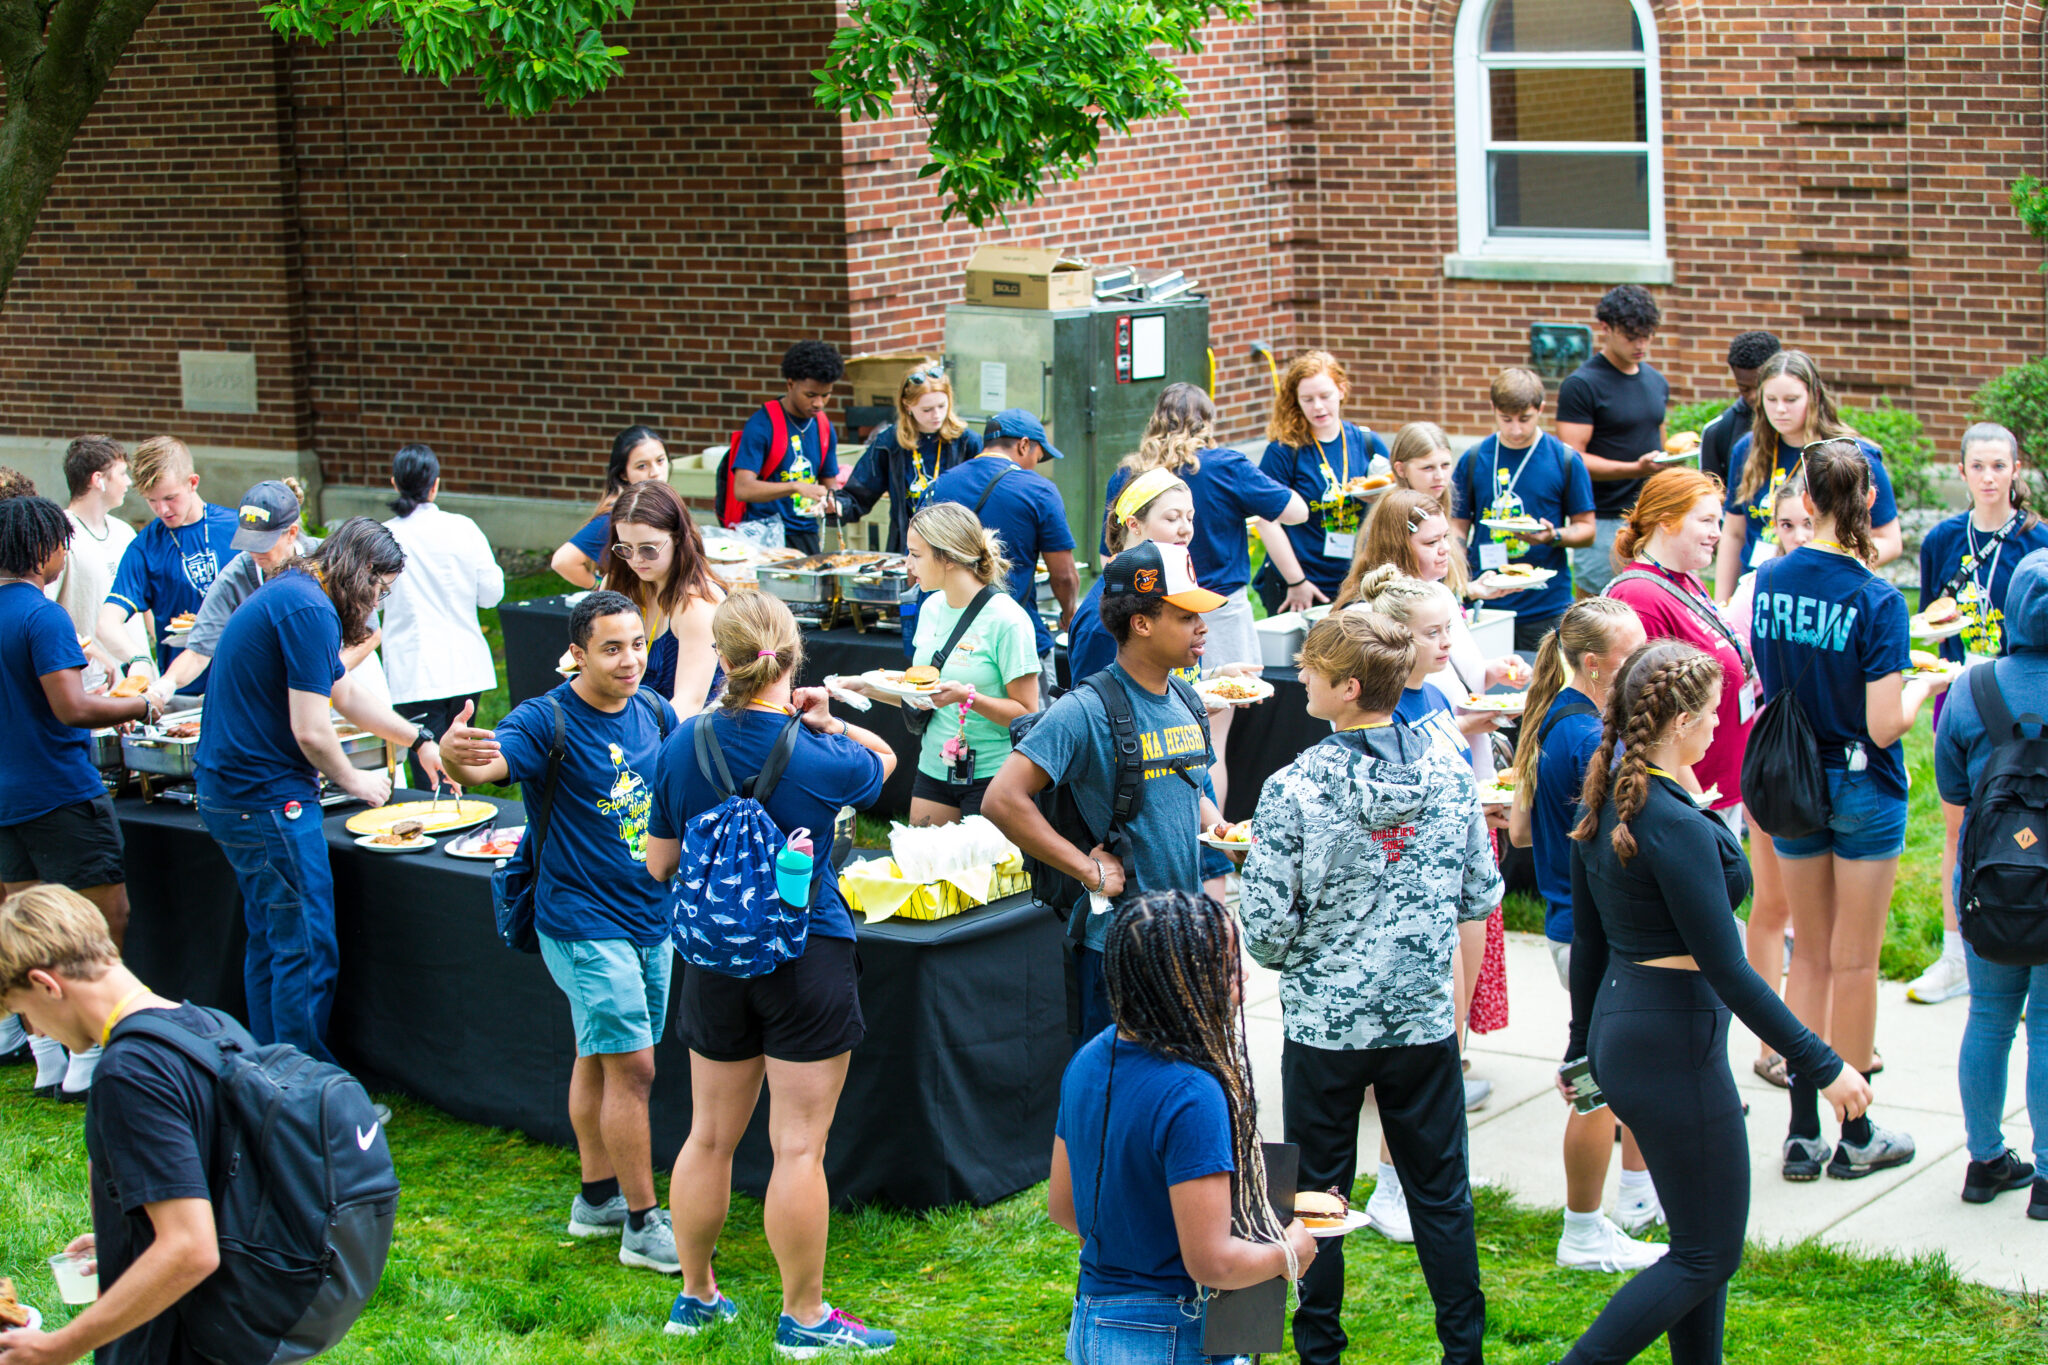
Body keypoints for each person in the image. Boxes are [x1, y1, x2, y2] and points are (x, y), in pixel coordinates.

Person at [1558, 639, 1870, 1365]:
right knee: (1706, 1254)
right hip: (1672, 1047)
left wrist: (1581, 1047)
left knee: (1696, 1241)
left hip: (1625, 1031)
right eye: (1713, 714)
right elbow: (1732, 971)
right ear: (1676, 724)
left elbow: (1592, 942)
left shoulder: (1611, 795)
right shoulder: (1673, 825)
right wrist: (1824, 1066)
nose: (1720, 725)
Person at [1236, 611, 1496, 1365]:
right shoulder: (1451, 769)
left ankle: (1319, 1351)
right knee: (1442, 1193)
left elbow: (1265, 934)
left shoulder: (1293, 788)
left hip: (1325, 1030)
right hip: (1421, 1022)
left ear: (1348, 687)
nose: (1302, 677)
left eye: (1313, 667)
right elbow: (1481, 890)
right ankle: (1463, 1350)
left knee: (1317, 1196)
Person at [648, 590, 900, 1353]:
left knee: (708, 1137)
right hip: (806, 954)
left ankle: (695, 1296)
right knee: (797, 1148)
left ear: (720, 660)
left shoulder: (679, 745)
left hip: (715, 959)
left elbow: (660, 864)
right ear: (791, 660)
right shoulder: (821, 754)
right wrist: (829, 718)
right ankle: (805, 1315)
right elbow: (883, 765)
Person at [437, 591, 679, 1273]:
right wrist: (458, 757)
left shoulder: (655, 710)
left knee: (599, 1053)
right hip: (580, 918)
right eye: (611, 647)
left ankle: (596, 1198)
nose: (630, 659)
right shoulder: (544, 720)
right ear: (576, 652)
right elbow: (487, 766)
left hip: (649, 913)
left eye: (637, 643)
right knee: (634, 1067)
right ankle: (640, 1223)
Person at [1751, 440, 1949, 1181]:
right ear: (1866, 502)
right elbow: (1881, 722)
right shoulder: (1874, 597)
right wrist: (1926, 688)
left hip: (1790, 783)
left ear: (1807, 497)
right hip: (1861, 787)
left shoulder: (1769, 577)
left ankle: (1801, 1131)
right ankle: (1856, 1132)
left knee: (1810, 953)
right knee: (1856, 961)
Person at [194, 517, 449, 1073]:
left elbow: (344, 690)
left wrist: (420, 739)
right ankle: (304, 1089)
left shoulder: (297, 592)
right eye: (380, 590)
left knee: (273, 940)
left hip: (234, 794)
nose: (378, 603)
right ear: (360, 573)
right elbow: (312, 728)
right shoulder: (309, 608)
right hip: (264, 798)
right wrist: (356, 781)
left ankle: (269, 1074)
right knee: (305, 946)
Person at [1049, 889, 1315, 1365]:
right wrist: (1288, 1252)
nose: (1246, 976)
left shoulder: (1088, 1060)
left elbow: (1064, 1208)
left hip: (1092, 1322)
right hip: (1171, 1334)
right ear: (1185, 982)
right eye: (1231, 968)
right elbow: (1212, 1262)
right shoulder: (1193, 1095)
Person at [984, 540, 1223, 1043]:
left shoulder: (1186, 696)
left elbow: (1188, 791)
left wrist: (1223, 832)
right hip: (1118, 946)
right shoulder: (1085, 709)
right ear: (1141, 623)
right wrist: (1088, 870)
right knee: (1116, 1098)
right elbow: (1002, 799)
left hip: (1182, 935)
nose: (1202, 627)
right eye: (1186, 616)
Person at [1503, 598, 1667, 1270]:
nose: (1647, 664)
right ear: (1595, 664)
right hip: (1594, 932)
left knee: (1620, 1076)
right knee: (1600, 1083)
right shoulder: (1584, 739)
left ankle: (1630, 1198)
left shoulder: (1565, 720)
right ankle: (1588, 1226)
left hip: (1579, 927)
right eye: (1633, 655)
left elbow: (1518, 830)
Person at [0, 885, 226, 1364]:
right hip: (237, 1324)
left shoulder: (129, 1073)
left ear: (46, 984)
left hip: (178, 1338)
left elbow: (191, 1248)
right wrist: (129, 1241)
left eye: (25, 1013)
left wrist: (59, 1346)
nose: (37, 1030)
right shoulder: (207, 1026)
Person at [0, 496, 156, 1102]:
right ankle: (91, 1056)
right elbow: (73, 709)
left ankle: (46, 1055)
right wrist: (141, 704)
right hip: (59, 795)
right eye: (62, 544)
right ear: (43, 549)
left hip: (7, 803)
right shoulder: (42, 616)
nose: (65, 555)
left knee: (25, 929)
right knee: (100, 923)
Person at [1103, 384, 1305, 811]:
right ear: (1208, 423)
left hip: (1145, 609)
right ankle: (1211, 848)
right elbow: (1296, 510)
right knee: (1210, 741)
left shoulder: (1128, 474)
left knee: (1157, 732)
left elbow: (1107, 554)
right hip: (1220, 611)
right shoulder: (1224, 464)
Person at [1908, 422, 2048, 1007]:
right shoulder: (1943, 538)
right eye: (1978, 467)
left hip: (2017, 699)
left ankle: (2028, 926)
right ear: (1961, 472)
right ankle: (1955, 950)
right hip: (1960, 694)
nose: (1989, 477)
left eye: (1999, 466)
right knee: (1959, 828)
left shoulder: (2035, 541)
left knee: (2027, 819)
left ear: (2017, 470)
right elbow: (1926, 620)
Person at [1932, 547, 2048, 1220]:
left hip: (1988, 882)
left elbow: (1952, 790)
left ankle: (1984, 1159)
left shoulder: (1971, 690)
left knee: (1989, 1017)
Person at [837, 503, 1038, 824]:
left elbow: (1027, 714)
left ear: (947, 558)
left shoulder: (1008, 620)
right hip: (934, 769)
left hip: (994, 776)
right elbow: (924, 694)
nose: (907, 564)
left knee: (983, 875)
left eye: (916, 555)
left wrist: (967, 698)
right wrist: (863, 685)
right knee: (924, 871)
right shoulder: (930, 607)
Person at [1720, 478, 1815, 1087]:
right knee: (1775, 903)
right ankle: (1770, 1041)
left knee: (1818, 915)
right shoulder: (1755, 589)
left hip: (1835, 763)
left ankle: (1822, 1027)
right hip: (1774, 759)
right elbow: (1730, 668)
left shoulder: (1852, 583)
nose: (1798, 536)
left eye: (1808, 523)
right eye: (1785, 526)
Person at [1605, 468, 1754, 827]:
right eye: (1706, 521)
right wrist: (1696, 803)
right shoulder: (1640, 596)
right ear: (1666, 521)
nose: (1717, 533)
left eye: (1718, 521)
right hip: (1691, 797)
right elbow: (1650, 714)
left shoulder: (1684, 577)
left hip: (1719, 784)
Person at [1714, 349, 1904, 597]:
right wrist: (1723, 603)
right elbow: (1734, 533)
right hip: (1759, 590)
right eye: (1771, 399)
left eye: (1791, 400)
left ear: (1814, 396)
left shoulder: (1853, 454)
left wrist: (1833, 562)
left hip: (1825, 592)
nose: (1780, 409)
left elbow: (1890, 541)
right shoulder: (1747, 450)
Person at [143, 480, 345, 708]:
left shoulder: (330, 561)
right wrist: (163, 688)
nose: (255, 551)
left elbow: (368, 634)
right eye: (249, 541)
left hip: (339, 692)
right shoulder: (233, 578)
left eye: (263, 543)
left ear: (291, 533)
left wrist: (324, 676)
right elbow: (198, 652)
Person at [928, 408, 1079, 700]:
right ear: (1024, 444)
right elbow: (1064, 575)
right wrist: (1069, 613)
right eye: (1038, 455)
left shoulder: (942, 483)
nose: (1035, 465)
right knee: (1030, 730)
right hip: (1017, 638)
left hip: (949, 638)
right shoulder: (1038, 490)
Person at [380, 445, 506, 786]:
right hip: (465, 665)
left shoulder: (383, 536)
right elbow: (491, 595)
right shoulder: (464, 528)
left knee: (428, 772)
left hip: (414, 669)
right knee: (461, 763)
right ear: (435, 484)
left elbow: (371, 602)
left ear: (395, 483)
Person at [837, 361, 983, 652]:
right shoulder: (890, 441)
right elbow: (859, 493)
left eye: (942, 406)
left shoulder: (966, 441)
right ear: (907, 406)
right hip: (910, 553)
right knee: (918, 635)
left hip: (958, 553)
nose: (936, 416)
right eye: (927, 410)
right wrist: (836, 506)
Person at [1452, 368, 1597, 650]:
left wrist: (1553, 536)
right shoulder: (1474, 458)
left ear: (1541, 409)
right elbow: (1458, 524)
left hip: (1546, 605)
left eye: (1525, 419)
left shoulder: (1565, 458)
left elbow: (1587, 529)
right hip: (1485, 599)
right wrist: (1457, 567)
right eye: (1506, 419)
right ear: (1493, 409)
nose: (1516, 429)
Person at [98, 436, 240, 692]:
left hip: (247, 682)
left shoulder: (237, 527)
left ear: (193, 482)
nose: (162, 510)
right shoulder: (144, 547)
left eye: (170, 498)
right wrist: (138, 658)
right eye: (152, 501)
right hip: (184, 690)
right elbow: (107, 623)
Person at [1254, 350, 1390, 614]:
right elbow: (1266, 520)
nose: (1317, 407)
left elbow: (1394, 505)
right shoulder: (1284, 451)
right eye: (1307, 399)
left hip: (1357, 583)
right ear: (1296, 401)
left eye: (1325, 396)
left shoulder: (1367, 442)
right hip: (1302, 583)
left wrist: (1377, 499)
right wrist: (1297, 581)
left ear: (1341, 390)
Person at [1554, 286, 1669, 596]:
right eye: (1631, 337)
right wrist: (1636, 468)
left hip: (1652, 515)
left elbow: (1662, 441)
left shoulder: (1656, 381)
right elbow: (1573, 459)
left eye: (1647, 336)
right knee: (1599, 613)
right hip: (1605, 519)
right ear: (1605, 328)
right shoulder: (1581, 384)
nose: (1641, 344)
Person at [602, 480, 726, 718]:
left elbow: (688, 704)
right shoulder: (616, 584)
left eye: (648, 548)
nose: (636, 559)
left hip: (680, 733)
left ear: (678, 537)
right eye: (625, 549)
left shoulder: (696, 604)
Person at [729, 340, 845, 555]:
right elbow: (742, 488)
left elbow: (830, 482)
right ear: (790, 384)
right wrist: (795, 486)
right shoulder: (762, 424)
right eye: (811, 395)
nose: (819, 403)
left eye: (826, 394)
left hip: (808, 531)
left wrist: (833, 500)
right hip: (766, 536)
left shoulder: (823, 425)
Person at [45, 436, 137, 667]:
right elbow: (42, 613)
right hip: (93, 685)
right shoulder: (59, 537)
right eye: (122, 473)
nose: (129, 482)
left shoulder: (125, 532)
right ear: (98, 480)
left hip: (140, 683)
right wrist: (92, 653)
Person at [550, 425, 671, 588]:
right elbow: (563, 561)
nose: (655, 472)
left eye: (660, 460)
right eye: (642, 466)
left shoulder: (659, 504)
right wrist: (603, 587)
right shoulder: (618, 515)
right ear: (623, 474)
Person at [1697, 331, 1780, 489]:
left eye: (1761, 386)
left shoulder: (1805, 425)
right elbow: (1712, 497)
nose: (1754, 396)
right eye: (1744, 388)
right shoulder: (1718, 431)